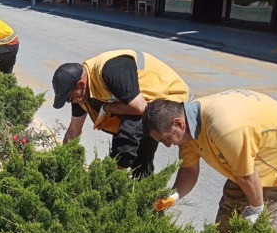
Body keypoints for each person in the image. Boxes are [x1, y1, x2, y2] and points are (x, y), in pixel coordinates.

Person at [143, 90, 277, 233]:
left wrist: (256, 210)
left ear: (179, 124)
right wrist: (171, 197)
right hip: (245, 170)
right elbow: (189, 170)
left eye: (166, 139)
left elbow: (247, 176)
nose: (168, 145)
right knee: (224, 231)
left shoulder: (224, 127)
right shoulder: (188, 129)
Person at [52, 49, 189, 178]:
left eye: (69, 98)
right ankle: (128, 182)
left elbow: (141, 109)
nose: (71, 102)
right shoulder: (82, 95)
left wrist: (107, 108)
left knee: (130, 134)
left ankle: (120, 181)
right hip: (139, 101)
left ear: (81, 85)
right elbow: (73, 130)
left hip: (167, 95)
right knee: (129, 134)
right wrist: (63, 162)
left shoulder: (111, 71)